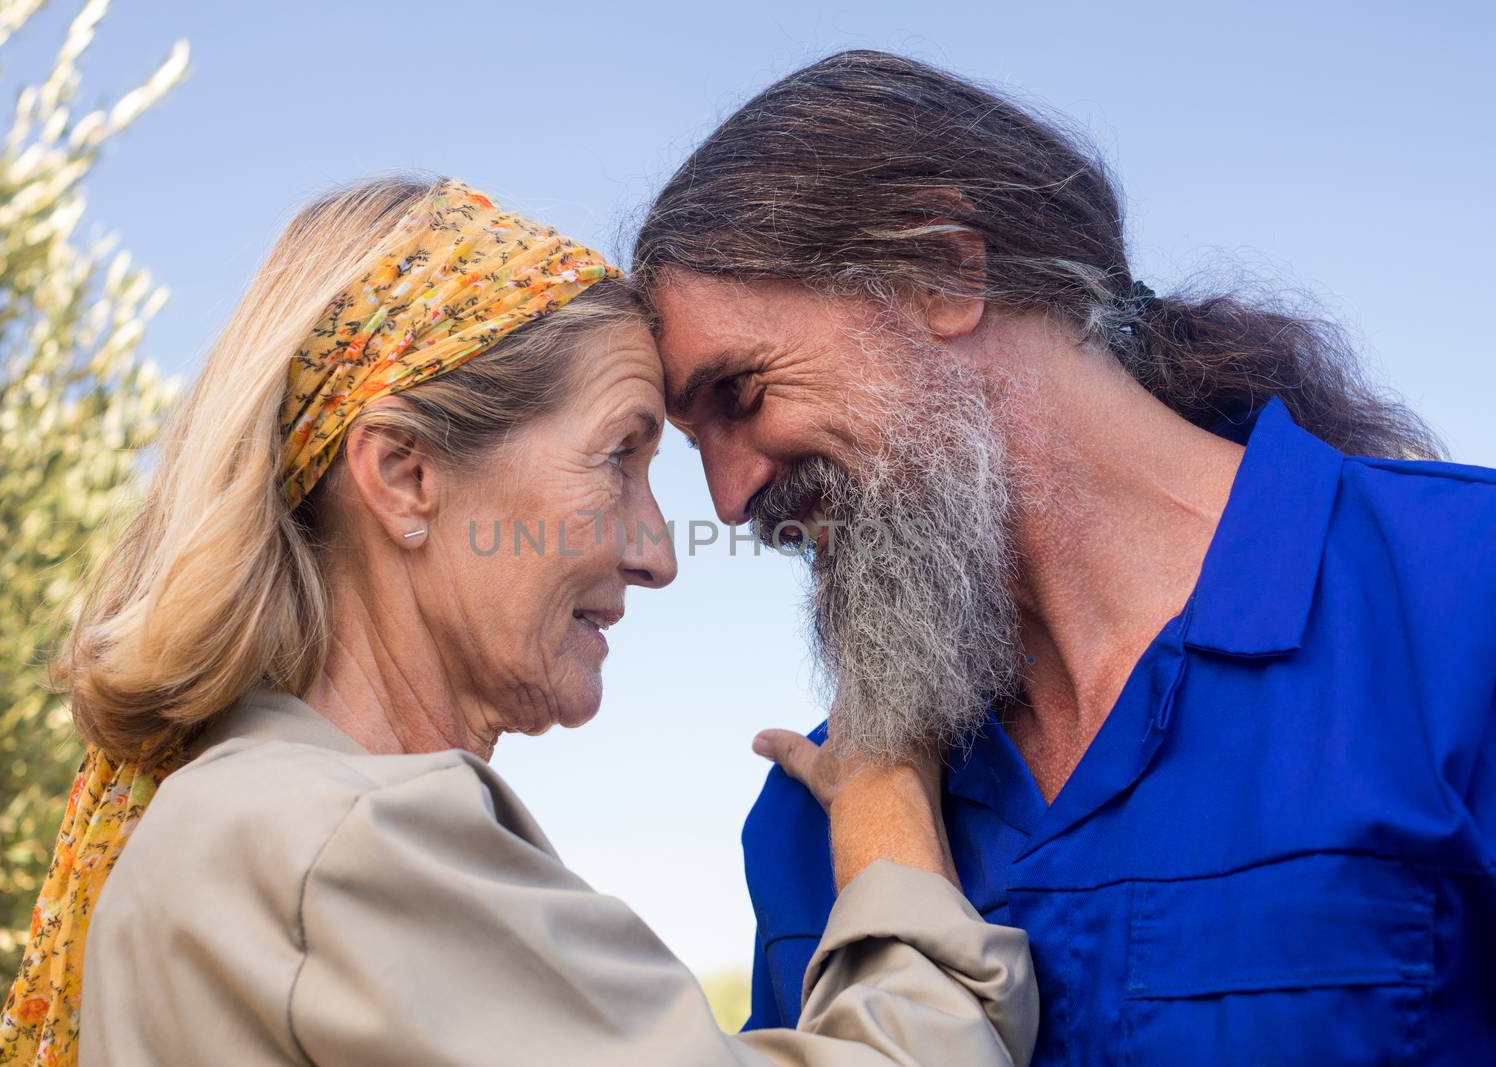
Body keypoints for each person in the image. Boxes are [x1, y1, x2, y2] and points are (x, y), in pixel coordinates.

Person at [0, 177, 1037, 1067]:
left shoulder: (241, 823)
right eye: (620, 453)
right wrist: (888, 812)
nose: (661, 551)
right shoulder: (332, 844)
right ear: (404, 474)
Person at [633, 50, 1496, 1065]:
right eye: (689, 446)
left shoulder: (1463, 593)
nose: (730, 499)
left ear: (942, 272)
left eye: (739, 393)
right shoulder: (815, 813)